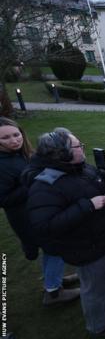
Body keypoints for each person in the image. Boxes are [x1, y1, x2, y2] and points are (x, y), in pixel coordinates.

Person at [24, 128, 105, 337]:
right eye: (78, 146)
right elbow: (46, 225)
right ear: (62, 153)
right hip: (87, 248)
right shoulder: (45, 186)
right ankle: (99, 326)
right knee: (93, 289)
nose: (82, 148)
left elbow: (98, 181)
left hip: (103, 240)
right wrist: (87, 206)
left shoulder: (78, 168)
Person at [0, 118, 80, 306]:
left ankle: (55, 280)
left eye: (16, 134)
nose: (14, 140)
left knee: (52, 248)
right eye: (5, 138)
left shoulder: (21, 154)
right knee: (54, 248)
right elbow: (3, 199)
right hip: (28, 218)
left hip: (39, 209)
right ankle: (53, 292)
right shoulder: (2, 165)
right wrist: (35, 182)